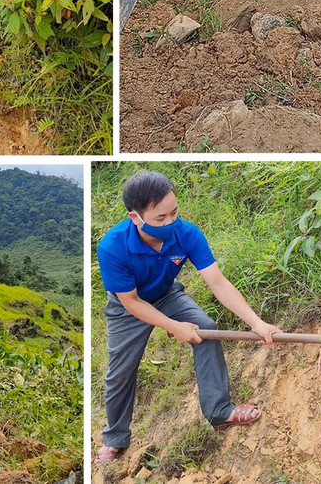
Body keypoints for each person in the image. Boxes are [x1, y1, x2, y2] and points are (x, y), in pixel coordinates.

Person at [95, 171, 279, 465]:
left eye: (174, 213)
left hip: (167, 295)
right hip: (127, 307)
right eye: (160, 218)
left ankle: (220, 412)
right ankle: (115, 439)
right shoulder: (112, 247)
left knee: (205, 329)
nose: (170, 223)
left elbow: (217, 282)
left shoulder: (187, 233)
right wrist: (173, 327)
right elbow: (130, 301)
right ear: (135, 217)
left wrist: (256, 322)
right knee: (120, 372)